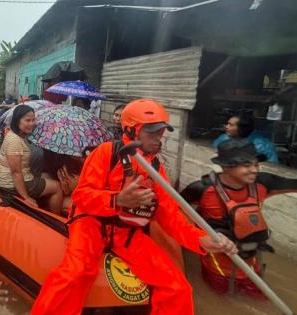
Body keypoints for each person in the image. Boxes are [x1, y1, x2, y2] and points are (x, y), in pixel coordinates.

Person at [30, 99, 237, 315]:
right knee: (75, 273)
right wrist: (117, 200)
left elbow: (169, 216)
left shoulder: (156, 168)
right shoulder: (106, 152)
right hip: (90, 223)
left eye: (161, 132)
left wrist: (201, 240)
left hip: (124, 230)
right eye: (152, 132)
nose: (159, 138)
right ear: (131, 129)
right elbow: (82, 196)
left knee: (177, 285)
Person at [181, 139, 297, 296]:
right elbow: (175, 211)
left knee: (259, 298)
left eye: (256, 164)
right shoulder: (201, 189)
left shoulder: (264, 183)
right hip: (217, 265)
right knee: (220, 299)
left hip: (252, 263)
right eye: (246, 165)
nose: (254, 170)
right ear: (226, 167)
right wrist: (197, 237)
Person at [0, 105, 63, 214]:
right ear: (17, 121)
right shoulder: (15, 141)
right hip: (11, 184)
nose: (32, 123)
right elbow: (16, 172)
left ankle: (46, 201)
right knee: (58, 187)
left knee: (48, 175)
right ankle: (55, 217)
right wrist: (26, 197)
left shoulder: (19, 135)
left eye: (33, 120)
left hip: (22, 176)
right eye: (27, 120)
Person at [213, 110, 279, 163]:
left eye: (231, 125)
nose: (226, 127)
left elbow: (273, 166)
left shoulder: (262, 145)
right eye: (227, 124)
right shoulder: (223, 138)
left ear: (242, 128)